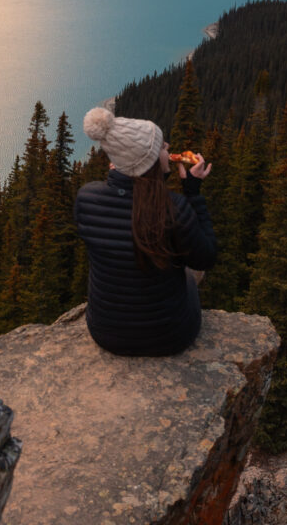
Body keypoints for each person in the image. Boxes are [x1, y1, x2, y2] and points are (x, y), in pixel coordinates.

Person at [74, 107, 217, 357]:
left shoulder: (86, 198)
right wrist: (193, 193)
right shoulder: (173, 208)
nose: (168, 147)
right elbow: (206, 258)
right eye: (162, 147)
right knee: (189, 281)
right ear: (149, 163)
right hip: (169, 337)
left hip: (104, 332)